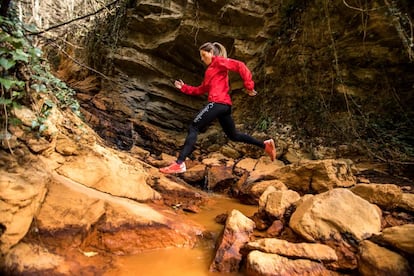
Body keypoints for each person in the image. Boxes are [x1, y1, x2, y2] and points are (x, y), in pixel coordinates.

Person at [160, 42, 276, 174]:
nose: (202, 59)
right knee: (234, 135)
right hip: (224, 106)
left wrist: (249, 86)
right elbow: (201, 89)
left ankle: (179, 163)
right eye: (201, 56)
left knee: (194, 127)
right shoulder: (210, 70)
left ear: (212, 53)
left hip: (218, 103)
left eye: (204, 55)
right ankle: (265, 145)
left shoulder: (218, 62)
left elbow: (240, 66)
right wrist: (184, 87)